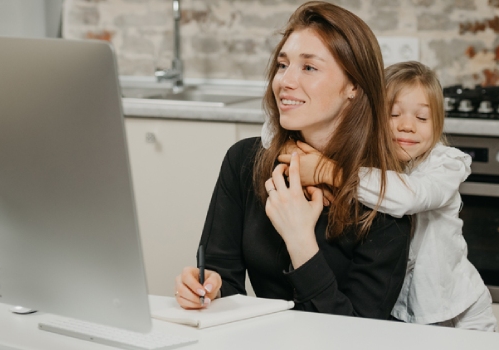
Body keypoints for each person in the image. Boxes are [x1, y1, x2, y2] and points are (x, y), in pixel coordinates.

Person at [173, 1, 412, 319]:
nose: (284, 81)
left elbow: (359, 332)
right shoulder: (244, 160)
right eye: (283, 65)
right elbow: (221, 275)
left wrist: (300, 240)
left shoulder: (386, 197)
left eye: (309, 67)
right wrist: (208, 289)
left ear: (353, 85)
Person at [266, 61, 497, 331]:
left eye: (422, 118)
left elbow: (408, 198)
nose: (407, 126)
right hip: (398, 312)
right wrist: (293, 145)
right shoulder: (369, 159)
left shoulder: (445, 164)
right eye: (393, 114)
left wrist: (326, 171)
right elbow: (269, 131)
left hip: (456, 310)